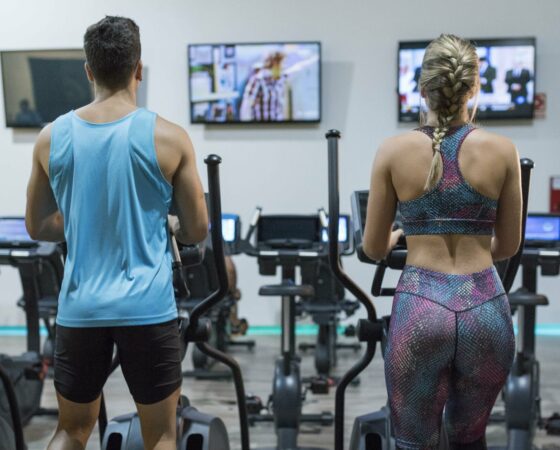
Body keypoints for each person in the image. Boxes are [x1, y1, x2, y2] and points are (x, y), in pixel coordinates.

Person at [25, 16, 208, 450]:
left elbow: (38, 225)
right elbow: (196, 228)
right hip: (147, 307)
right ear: (137, 69)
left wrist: (84, 219)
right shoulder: (170, 138)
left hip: (80, 309)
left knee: (70, 430)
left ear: (88, 71)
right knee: (161, 434)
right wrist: (165, 223)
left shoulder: (51, 138)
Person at [363, 34, 521, 449]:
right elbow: (507, 245)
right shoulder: (503, 150)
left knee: (414, 442)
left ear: (422, 87)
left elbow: (374, 248)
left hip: (420, 308)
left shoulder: (392, 151)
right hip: (485, 309)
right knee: (468, 440)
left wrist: (403, 235)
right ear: (475, 87)